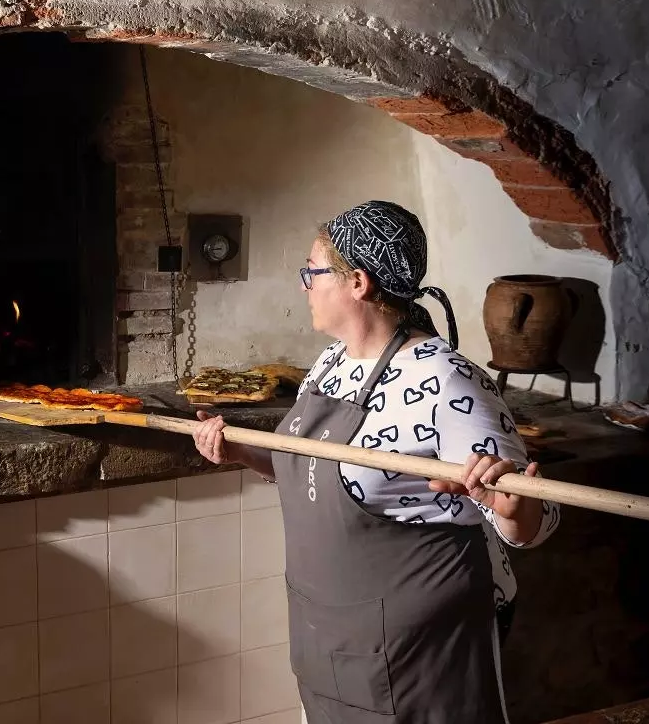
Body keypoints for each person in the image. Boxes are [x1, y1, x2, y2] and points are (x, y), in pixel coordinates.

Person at [191, 200, 560, 724]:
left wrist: (511, 505)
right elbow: (312, 468)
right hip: (333, 639)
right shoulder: (330, 364)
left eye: (312, 273)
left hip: (424, 651)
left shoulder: (447, 383)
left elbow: (535, 522)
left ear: (358, 283)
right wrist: (239, 450)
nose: (304, 285)